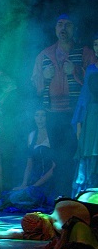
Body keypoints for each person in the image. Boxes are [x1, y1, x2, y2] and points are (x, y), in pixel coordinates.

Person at [32, 14, 97, 193]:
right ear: (55, 29)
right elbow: (35, 86)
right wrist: (44, 77)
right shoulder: (44, 54)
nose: (63, 29)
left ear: (74, 29)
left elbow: (94, 84)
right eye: (60, 24)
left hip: (76, 115)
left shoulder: (85, 53)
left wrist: (75, 71)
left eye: (68, 25)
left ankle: (75, 196)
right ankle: (61, 196)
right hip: (53, 112)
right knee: (57, 158)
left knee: (75, 155)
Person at [73, 33, 98, 196]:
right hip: (92, 117)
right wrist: (79, 123)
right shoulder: (91, 69)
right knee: (89, 156)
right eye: (95, 44)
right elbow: (84, 97)